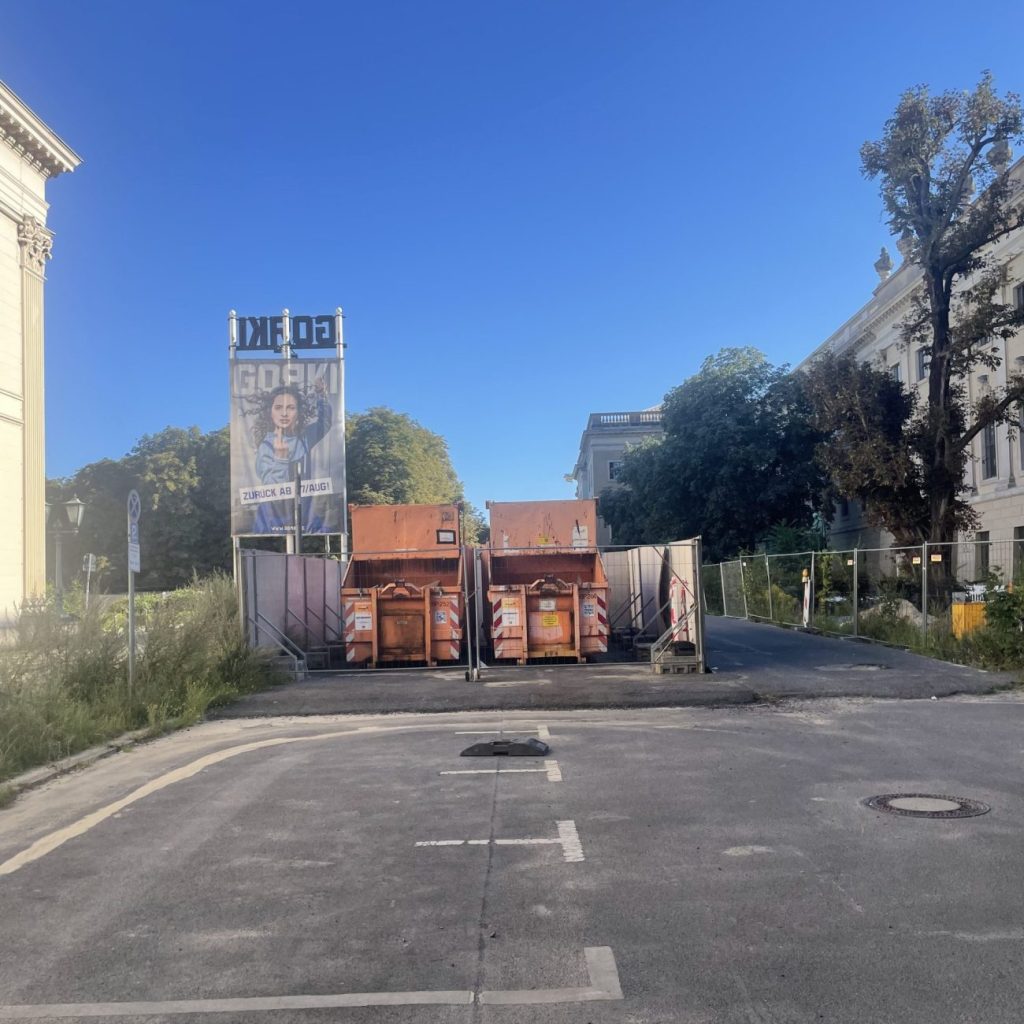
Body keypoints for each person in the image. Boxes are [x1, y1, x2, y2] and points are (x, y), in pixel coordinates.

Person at [252, 377, 332, 534]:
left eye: (290, 407)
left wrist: (321, 395)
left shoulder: (304, 438)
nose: (284, 413)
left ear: (298, 412)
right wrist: (281, 460)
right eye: (278, 407)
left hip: (306, 513)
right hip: (278, 518)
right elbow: (272, 492)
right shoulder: (266, 446)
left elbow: (325, 423)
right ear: (270, 411)